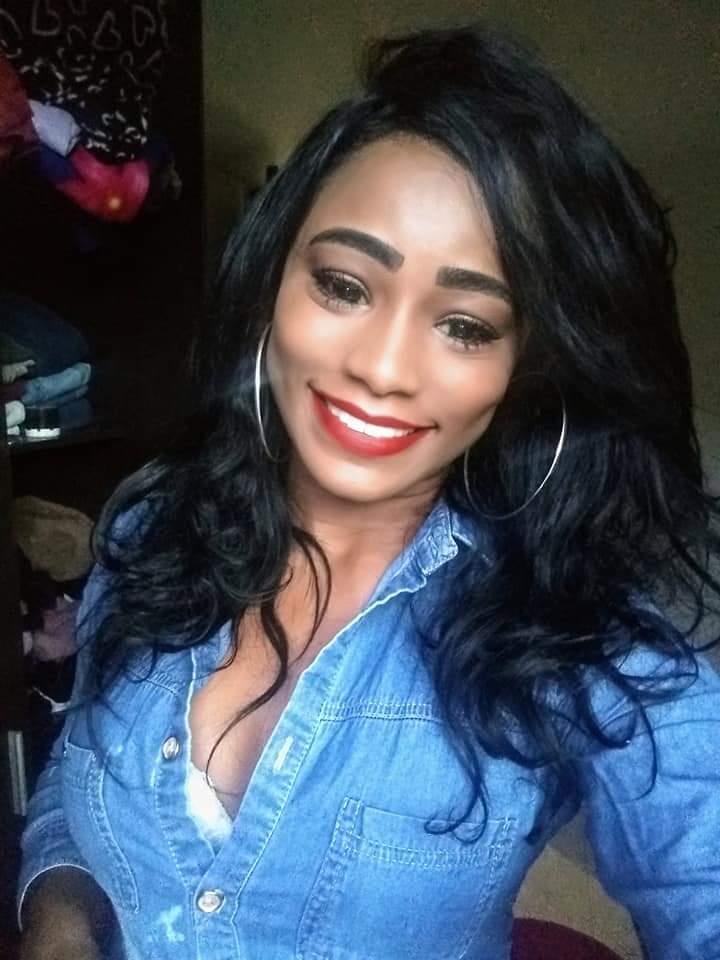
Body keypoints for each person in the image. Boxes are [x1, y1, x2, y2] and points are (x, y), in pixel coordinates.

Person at [18, 23, 720, 960]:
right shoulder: (152, 528)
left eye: (466, 326)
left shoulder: (578, 633)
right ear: (275, 281)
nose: (383, 368)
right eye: (345, 285)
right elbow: (80, 772)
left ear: (527, 364)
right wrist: (59, 911)